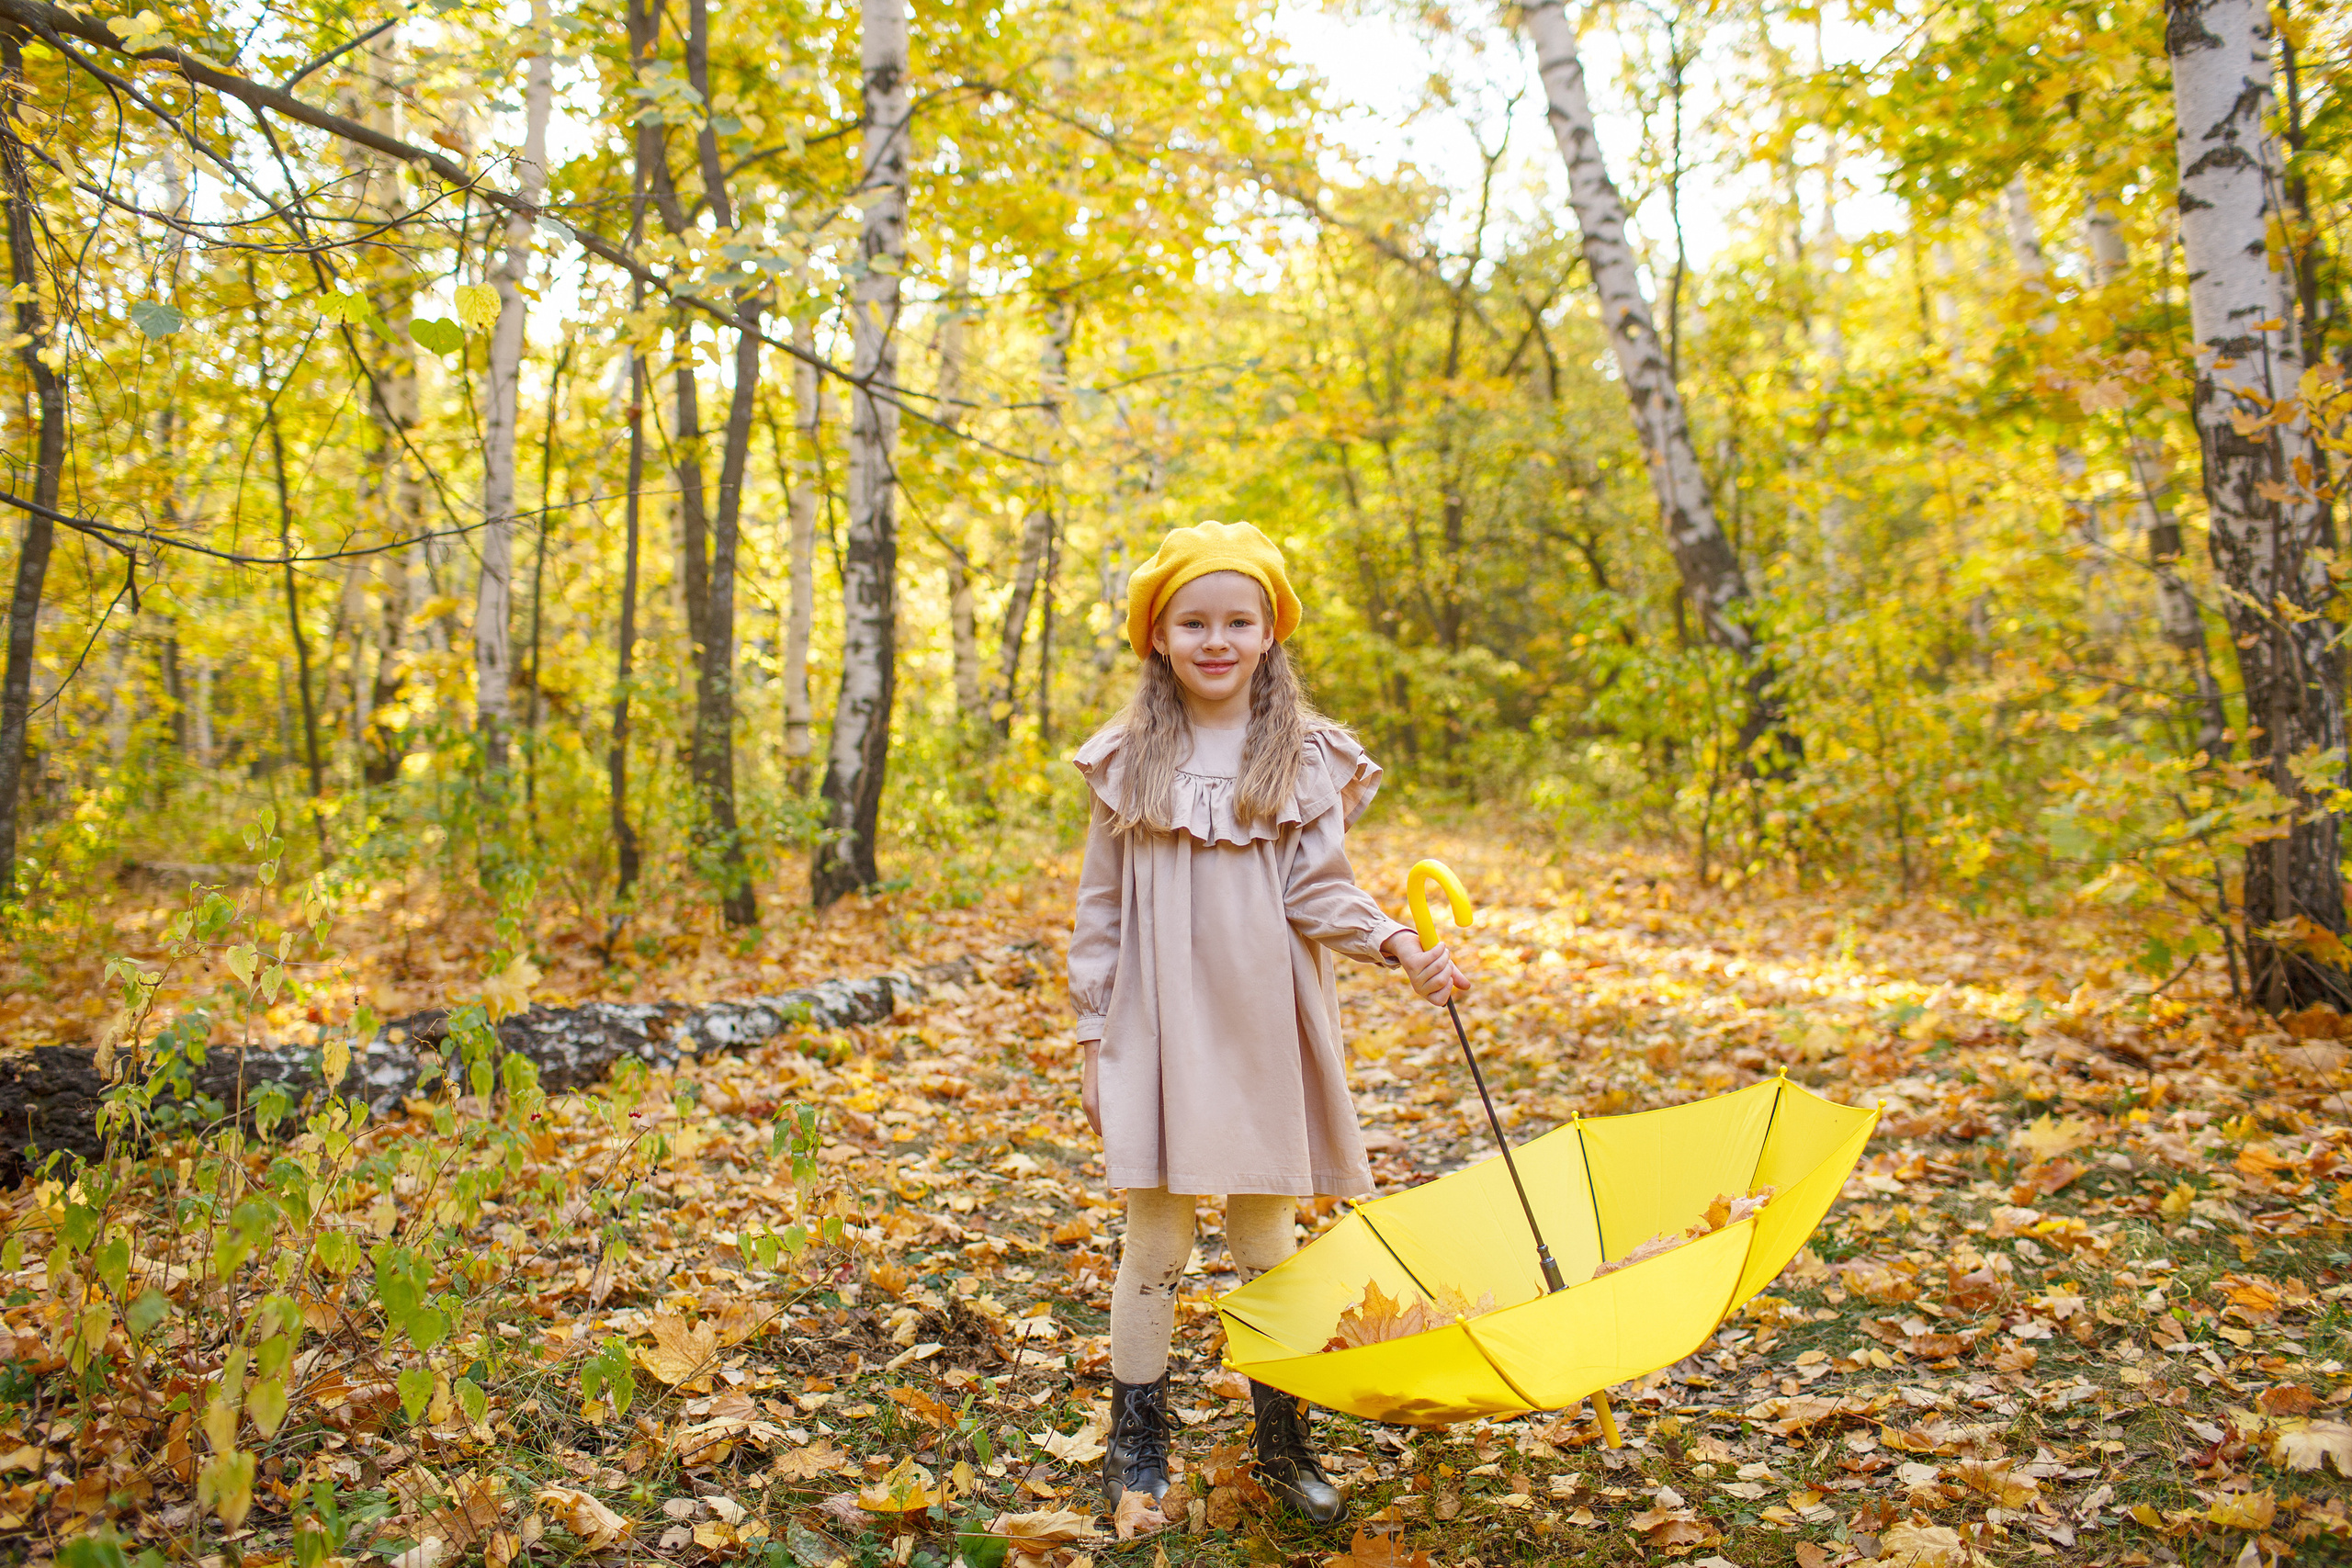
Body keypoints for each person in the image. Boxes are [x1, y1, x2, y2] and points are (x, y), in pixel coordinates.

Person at [1066, 520, 1470, 1525]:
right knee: (1154, 1239)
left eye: (1237, 621)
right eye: (1192, 621)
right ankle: (1137, 1443)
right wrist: (1089, 1036)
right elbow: (1101, 910)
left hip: (1262, 1027)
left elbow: (1319, 893)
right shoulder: (1130, 759)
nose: (1215, 639)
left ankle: (1283, 1440)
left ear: (1268, 633)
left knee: (1266, 1243)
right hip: (1156, 1029)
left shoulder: (1300, 756)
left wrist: (1396, 947)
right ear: (1158, 637)